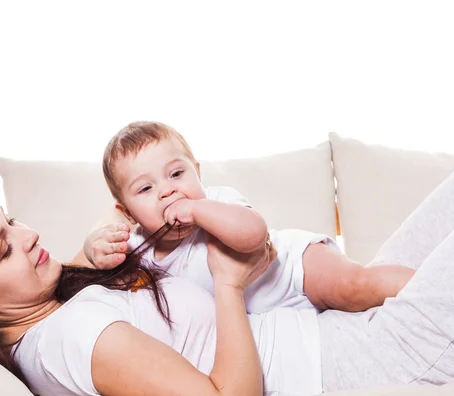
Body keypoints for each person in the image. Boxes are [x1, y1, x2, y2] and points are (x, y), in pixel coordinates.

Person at [0, 159, 454, 396]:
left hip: (334, 330)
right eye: (4, 247)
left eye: (11, 220)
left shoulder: (67, 307)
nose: (28, 235)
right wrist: (229, 284)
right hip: (358, 363)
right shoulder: (74, 338)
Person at [84, 121, 414, 313]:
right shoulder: (138, 247)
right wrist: (94, 250)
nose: (167, 191)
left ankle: (429, 288)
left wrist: (197, 210)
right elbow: (104, 284)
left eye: (176, 174)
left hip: (294, 268)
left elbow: (255, 234)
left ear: (198, 174)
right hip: (271, 315)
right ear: (128, 214)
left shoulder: (216, 201)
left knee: (354, 288)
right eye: (145, 189)